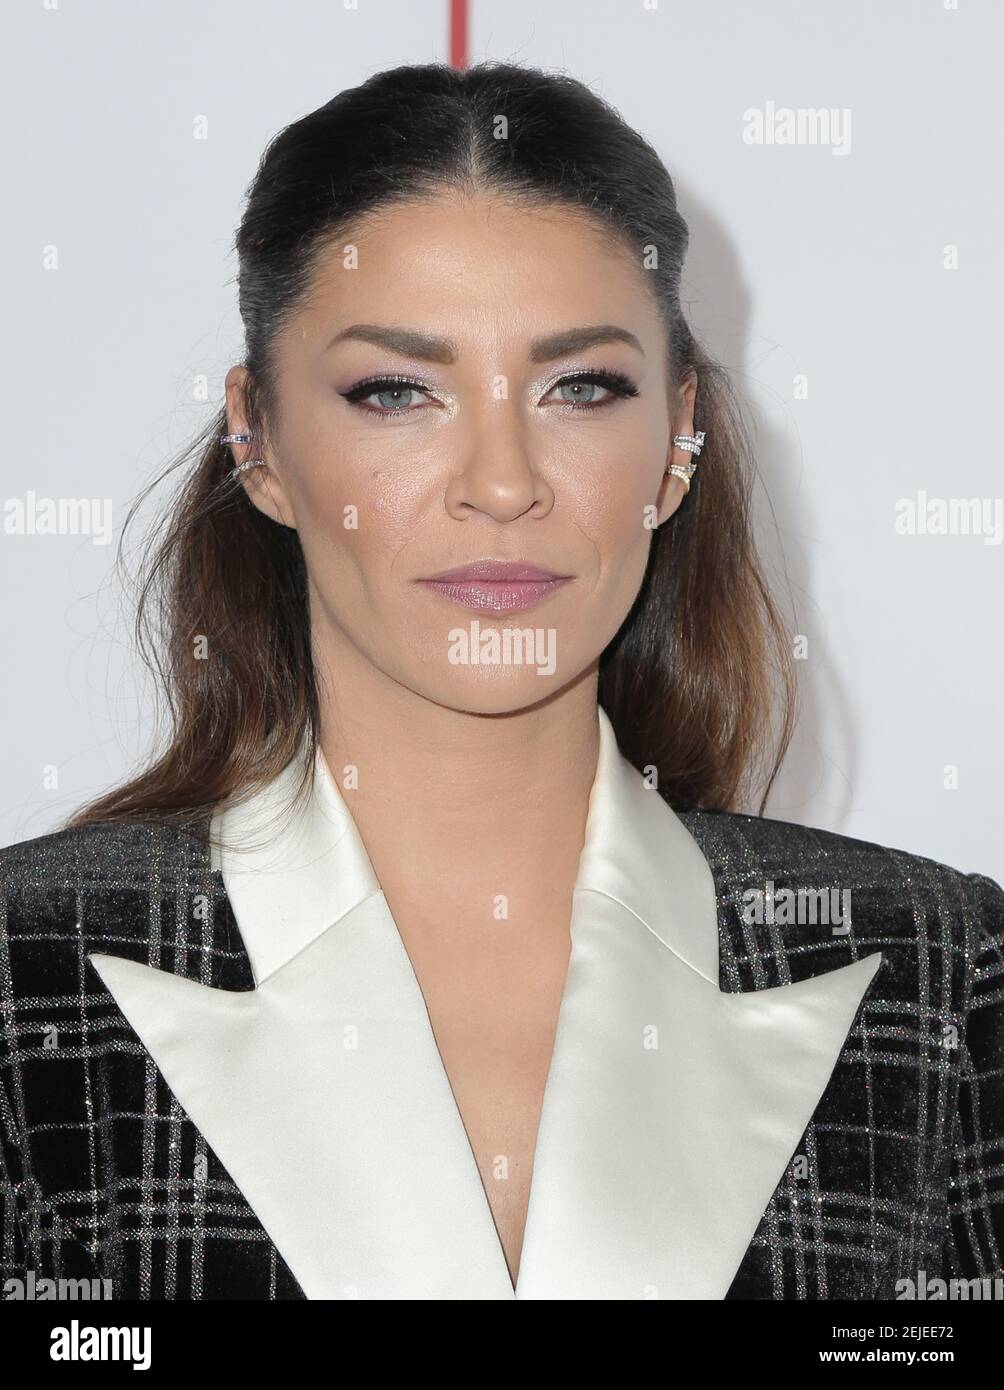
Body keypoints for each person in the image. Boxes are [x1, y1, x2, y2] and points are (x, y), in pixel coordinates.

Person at [1, 61, 1001, 1302]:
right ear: (256, 440)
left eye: (579, 387)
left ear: (677, 437)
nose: (502, 478)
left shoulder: (938, 966)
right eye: (396, 391)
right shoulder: (23, 966)